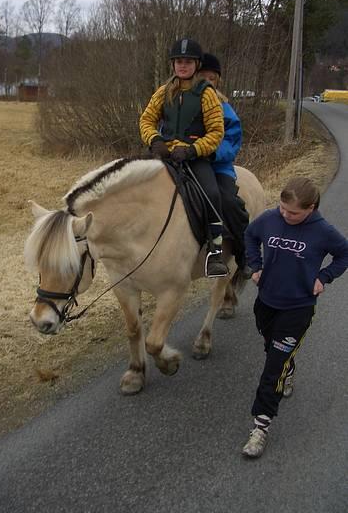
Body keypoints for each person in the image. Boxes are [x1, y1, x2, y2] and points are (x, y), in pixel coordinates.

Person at [242, 177, 348, 458]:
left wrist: (324, 277)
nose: (286, 215)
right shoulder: (269, 219)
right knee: (271, 349)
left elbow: (344, 254)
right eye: (283, 209)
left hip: (298, 308)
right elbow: (250, 236)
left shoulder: (323, 231)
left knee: (272, 366)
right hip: (266, 302)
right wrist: (255, 265)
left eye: (294, 213)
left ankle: (260, 426)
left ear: (311, 208)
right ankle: (288, 368)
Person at [139, 37, 227, 278]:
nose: (183, 65)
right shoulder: (164, 91)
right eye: (179, 61)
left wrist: (192, 150)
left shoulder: (206, 94)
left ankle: (215, 252)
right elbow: (146, 120)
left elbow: (217, 132)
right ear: (173, 64)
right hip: (164, 154)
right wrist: (155, 141)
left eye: (188, 61)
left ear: (197, 64)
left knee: (212, 194)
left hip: (194, 157)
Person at [197, 53, 251, 277]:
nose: (208, 82)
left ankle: (244, 255)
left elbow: (232, 141)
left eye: (213, 79)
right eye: (203, 77)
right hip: (184, 163)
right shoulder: (182, 101)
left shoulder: (224, 108)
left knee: (229, 202)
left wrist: (211, 153)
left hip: (216, 166)